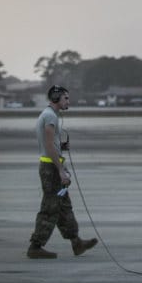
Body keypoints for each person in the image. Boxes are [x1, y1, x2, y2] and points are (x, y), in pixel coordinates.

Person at [26, 85, 98, 259]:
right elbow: (49, 145)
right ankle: (35, 247)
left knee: (64, 207)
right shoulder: (50, 116)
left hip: (52, 165)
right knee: (50, 207)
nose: (68, 101)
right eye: (66, 98)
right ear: (56, 98)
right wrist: (60, 170)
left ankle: (76, 242)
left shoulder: (50, 115)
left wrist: (61, 147)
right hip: (50, 169)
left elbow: (50, 143)